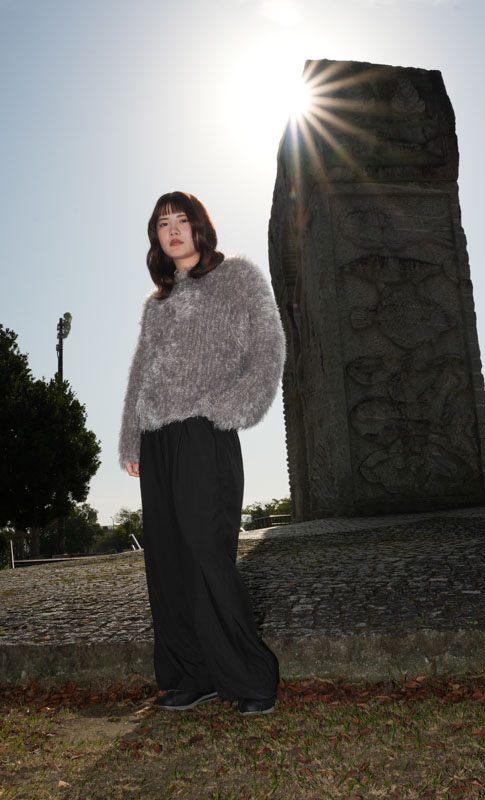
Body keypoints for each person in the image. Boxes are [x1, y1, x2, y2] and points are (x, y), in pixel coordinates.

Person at [118, 191, 285, 715]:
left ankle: (250, 678)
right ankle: (193, 674)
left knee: (206, 551)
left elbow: (269, 347)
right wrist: (131, 437)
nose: (172, 230)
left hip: (204, 431)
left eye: (181, 220)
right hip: (157, 437)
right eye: (162, 223)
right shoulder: (157, 304)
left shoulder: (237, 277)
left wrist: (228, 410)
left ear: (199, 227)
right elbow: (141, 373)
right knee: (166, 559)